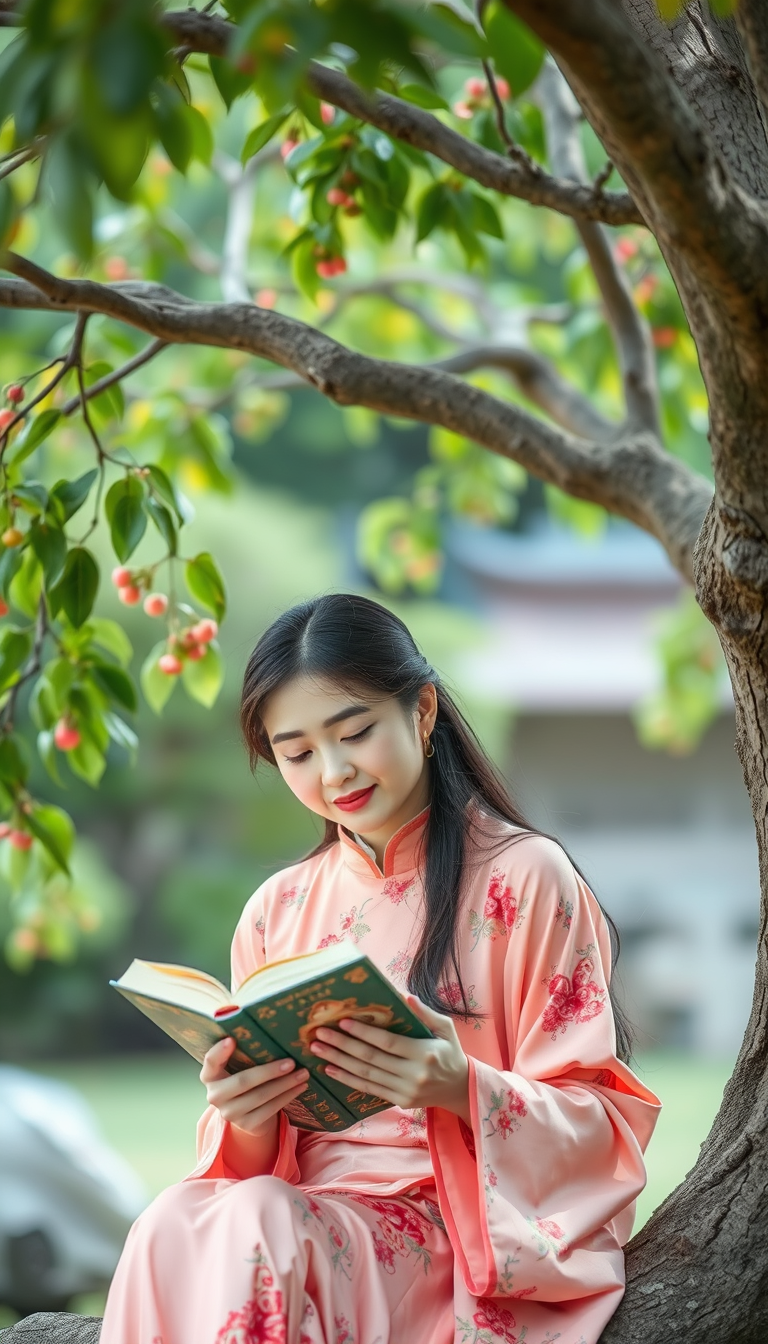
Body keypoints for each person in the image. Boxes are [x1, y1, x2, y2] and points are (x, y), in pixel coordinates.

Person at [100, 592, 660, 1344]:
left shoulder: (524, 877)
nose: (334, 772)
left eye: (354, 732)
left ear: (422, 711)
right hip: (304, 1219)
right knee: (169, 1220)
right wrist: (247, 1113)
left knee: (263, 1220)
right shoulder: (276, 909)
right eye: (297, 753)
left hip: (450, 1231)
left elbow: (598, 1121)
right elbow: (252, 1169)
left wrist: (457, 1085)